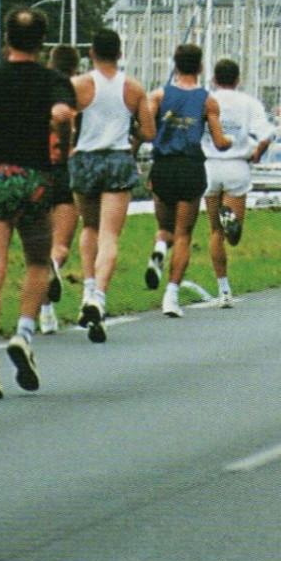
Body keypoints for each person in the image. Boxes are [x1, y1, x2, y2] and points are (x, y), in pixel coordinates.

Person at [0, 8, 76, 398]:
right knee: (38, 262)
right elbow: (62, 113)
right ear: (42, 43)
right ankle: (24, 334)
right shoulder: (54, 80)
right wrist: (62, 140)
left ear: (7, 38)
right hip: (34, 179)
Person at [69, 28, 153, 343]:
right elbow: (149, 130)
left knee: (88, 228)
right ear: (120, 54)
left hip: (86, 158)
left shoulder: (78, 86)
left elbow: (63, 119)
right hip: (118, 158)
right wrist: (131, 141)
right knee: (110, 234)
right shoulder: (133, 88)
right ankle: (100, 297)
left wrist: (70, 149)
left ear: (91, 53)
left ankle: (88, 287)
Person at [145, 43, 232, 317]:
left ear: (175, 64)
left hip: (163, 166)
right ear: (201, 68)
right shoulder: (208, 101)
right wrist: (230, 140)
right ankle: (171, 296)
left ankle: (159, 248)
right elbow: (219, 142)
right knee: (183, 234)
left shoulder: (157, 96)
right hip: (191, 166)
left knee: (165, 226)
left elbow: (145, 130)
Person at [202, 58, 275, 307]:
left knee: (214, 232)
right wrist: (259, 152)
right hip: (237, 166)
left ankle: (223, 289)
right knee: (233, 237)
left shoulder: (206, 100)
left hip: (210, 164)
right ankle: (230, 218)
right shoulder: (248, 103)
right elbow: (266, 134)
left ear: (213, 80)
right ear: (237, 80)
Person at [38, 44, 82, 335]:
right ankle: (56, 263)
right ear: (74, 70)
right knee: (61, 244)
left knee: (35, 248)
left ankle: (45, 312)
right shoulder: (75, 96)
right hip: (65, 168)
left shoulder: (33, 91)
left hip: (36, 169)